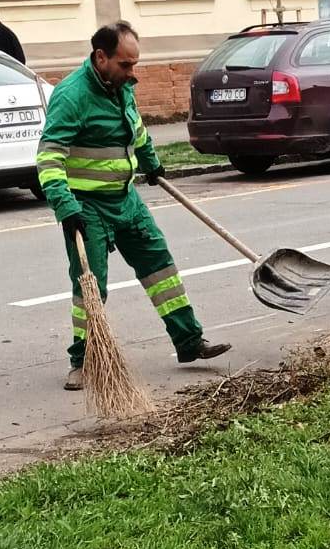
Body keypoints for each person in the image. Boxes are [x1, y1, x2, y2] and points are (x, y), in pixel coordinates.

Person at [36, 21, 230, 389]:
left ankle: (189, 342)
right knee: (90, 287)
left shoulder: (120, 86)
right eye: (125, 65)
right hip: (85, 206)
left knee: (161, 268)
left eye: (134, 64)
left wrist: (150, 161)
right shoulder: (71, 96)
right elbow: (49, 158)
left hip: (125, 198)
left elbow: (135, 128)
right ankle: (82, 360)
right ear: (101, 57)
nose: (132, 72)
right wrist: (65, 205)